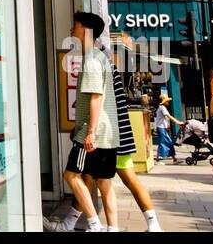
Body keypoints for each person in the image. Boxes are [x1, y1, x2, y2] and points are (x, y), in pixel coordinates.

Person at [48, 12, 118, 232]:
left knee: (71, 175)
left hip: (94, 132)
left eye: (75, 26)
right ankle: (112, 229)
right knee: (104, 182)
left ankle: (95, 225)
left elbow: (96, 97)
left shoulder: (91, 60)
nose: (71, 30)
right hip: (108, 132)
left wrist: (89, 132)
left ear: (86, 31)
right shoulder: (100, 58)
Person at [107, 57, 165, 231]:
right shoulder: (110, 68)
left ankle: (97, 225)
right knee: (128, 180)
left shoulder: (101, 66)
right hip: (119, 134)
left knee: (84, 177)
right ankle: (153, 223)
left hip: (111, 136)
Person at [154, 94, 183, 162]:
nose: (168, 102)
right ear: (164, 101)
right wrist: (178, 122)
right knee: (165, 143)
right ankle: (161, 159)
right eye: (167, 101)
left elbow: (163, 119)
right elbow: (169, 116)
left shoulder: (161, 107)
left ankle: (172, 159)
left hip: (162, 128)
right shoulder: (162, 108)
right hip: (161, 128)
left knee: (165, 142)